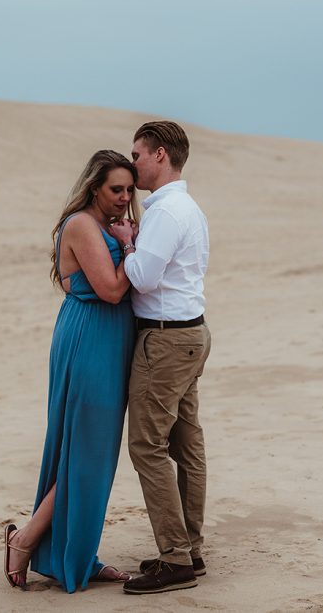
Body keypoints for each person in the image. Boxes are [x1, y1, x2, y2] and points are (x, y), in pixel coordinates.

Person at [4, 150, 140, 592]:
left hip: (108, 341)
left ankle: (77, 553)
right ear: (94, 187)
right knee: (84, 453)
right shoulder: (82, 224)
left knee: (91, 454)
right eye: (115, 189)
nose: (123, 197)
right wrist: (132, 246)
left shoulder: (108, 224)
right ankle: (25, 541)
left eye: (129, 189)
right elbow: (113, 290)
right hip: (88, 341)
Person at [108, 121, 212, 595]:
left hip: (166, 341)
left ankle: (175, 560)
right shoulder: (187, 207)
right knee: (186, 444)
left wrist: (128, 242)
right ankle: (188, 547)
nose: (133, 163)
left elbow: (144, 278)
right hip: (190, 335)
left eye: (138, 154)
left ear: (161, 155)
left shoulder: (168, 212)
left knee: (147, 447)